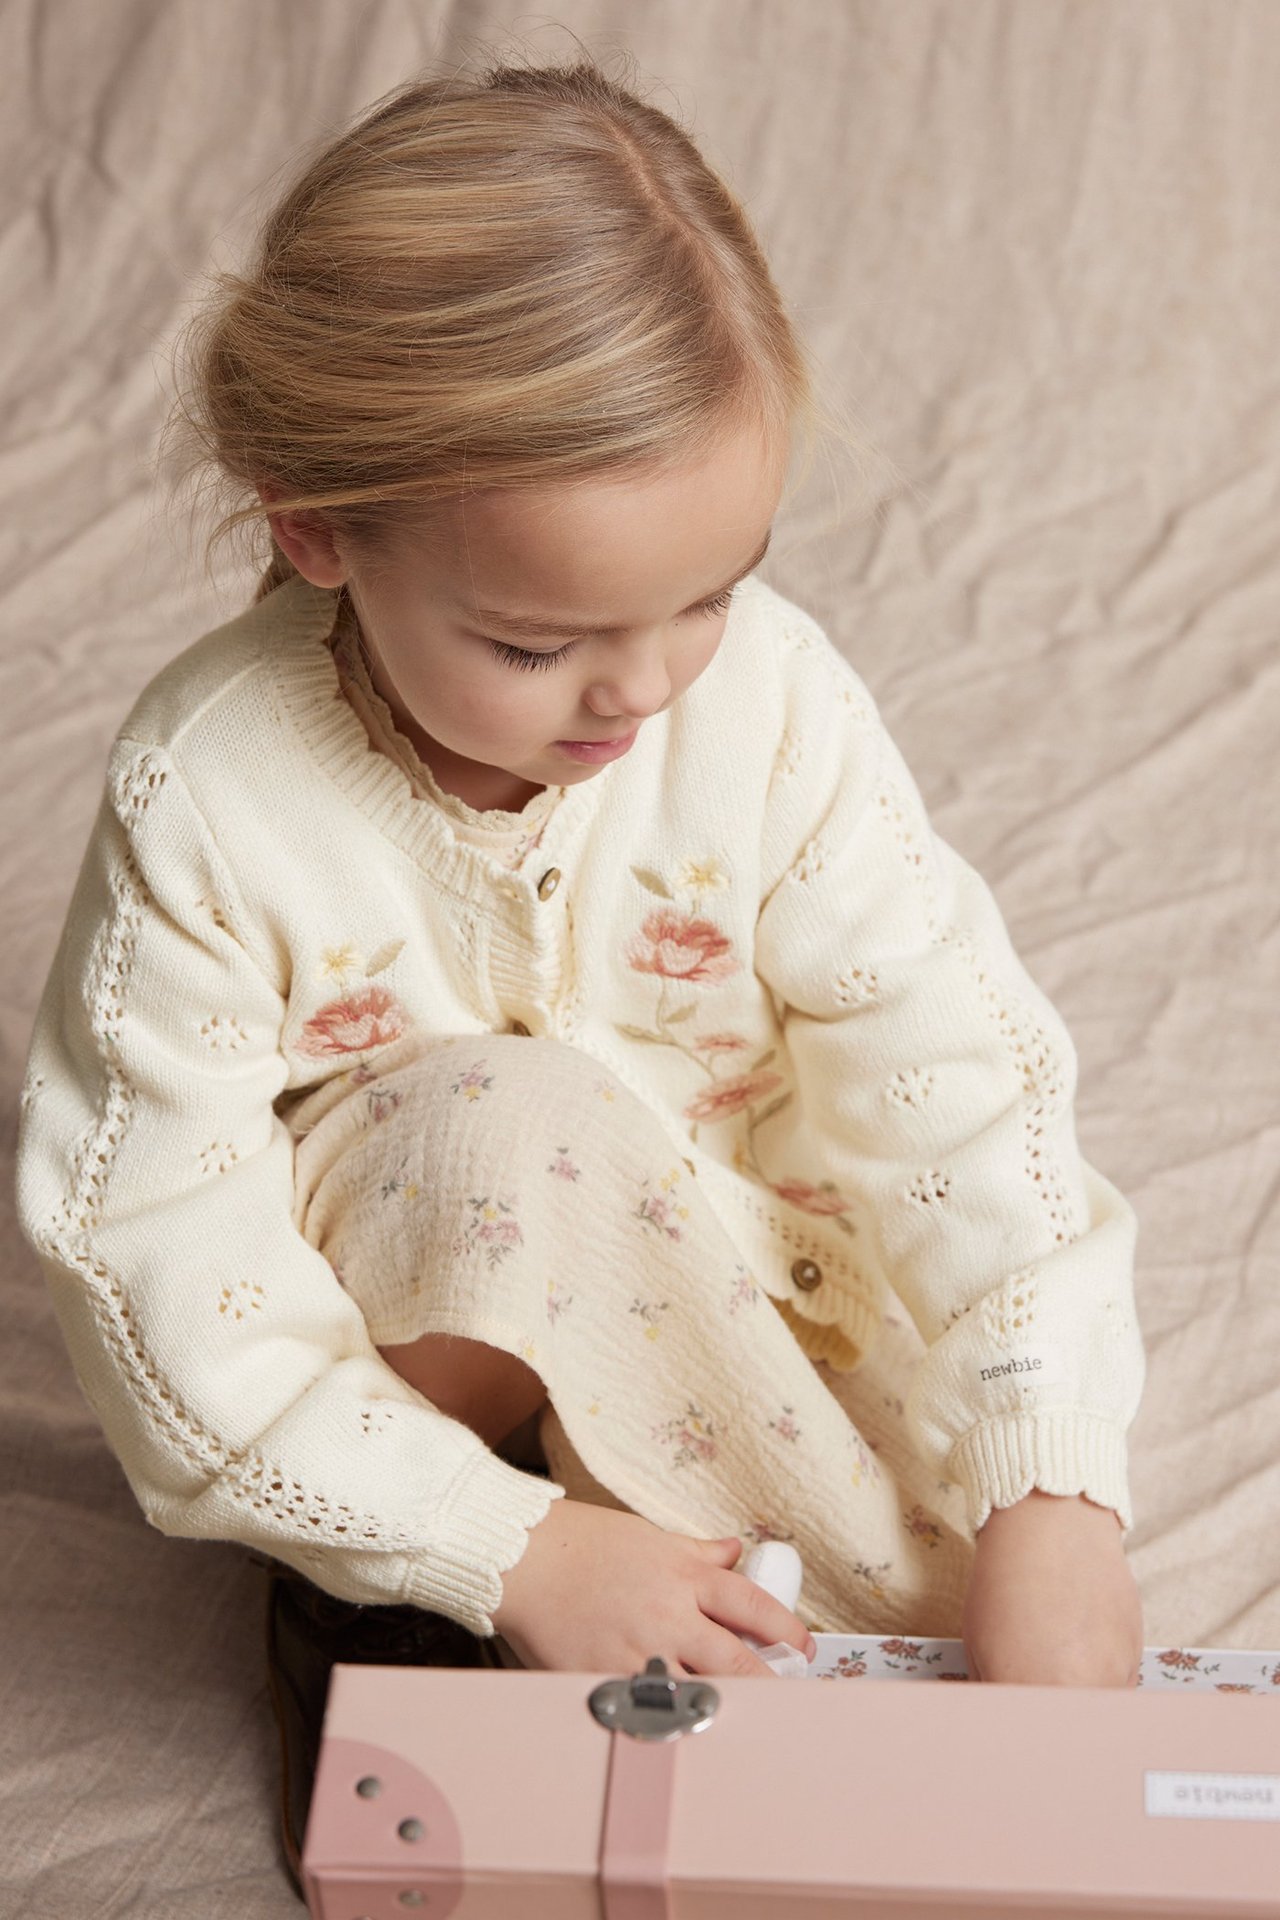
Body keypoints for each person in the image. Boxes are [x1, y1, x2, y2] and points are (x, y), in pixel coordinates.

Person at [15, 47, 1146, 1727]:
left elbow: (956, 1087)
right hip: (417, 1349)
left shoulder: (770, 704)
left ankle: (714, 1573)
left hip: (738, 1287)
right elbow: (150, 1252)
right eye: (539, 643)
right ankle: (418, 1561)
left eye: (712, 594)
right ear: (324, 535)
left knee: (958, 1565)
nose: (644, 692)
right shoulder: (215, 787)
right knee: (509, 1120)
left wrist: (1052, 1478)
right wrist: (509, 1548)